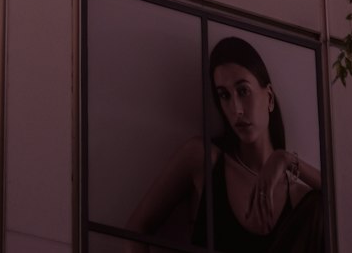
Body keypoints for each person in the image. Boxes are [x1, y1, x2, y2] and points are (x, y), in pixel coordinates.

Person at [125, 35, 323, 252]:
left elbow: (345, 210)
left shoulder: (298, 197)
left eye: (243, 91)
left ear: (269, 98)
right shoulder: (203, 158)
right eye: (224, 95)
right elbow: (136, 229)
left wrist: (286, 159)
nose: (236, 109)